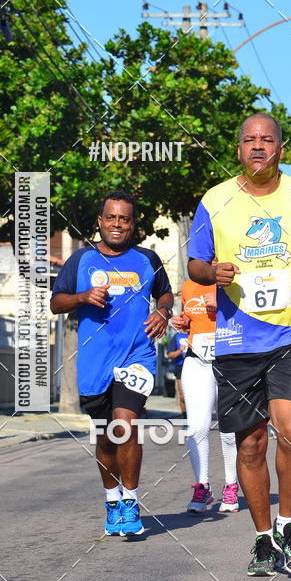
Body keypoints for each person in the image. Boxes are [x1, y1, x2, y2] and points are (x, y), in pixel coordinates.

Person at [188, 112, 291, 576]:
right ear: (238, 149)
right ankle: (263, 538)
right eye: (250, 140)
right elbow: (195, 263)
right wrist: (211, 272)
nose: (258, 146)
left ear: (280, 148)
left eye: (267, 140)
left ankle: (288, 524)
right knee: (250, 444)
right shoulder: (215, 199)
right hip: (236, 338)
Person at [50, 190, 173, 537]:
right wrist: (81, 297)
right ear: (100, 222)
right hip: (95, 363)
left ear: (133, 224)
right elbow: (56, 303)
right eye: (111, 217)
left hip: (137, 355)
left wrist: (163, 312)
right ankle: (112, 501)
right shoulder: (81, 261)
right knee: (106, 438)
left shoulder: (147, 259)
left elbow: (165, 292)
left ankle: (131, 501)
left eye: (124, 219)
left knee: (125, 425)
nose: (117, 224)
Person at [171, 279, 239, 512]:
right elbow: (191, 320)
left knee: (229, 428)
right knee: (196, 428)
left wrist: (225, 304)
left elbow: (254, 318)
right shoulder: (189, 285)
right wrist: (183, 322)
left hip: (229, 359)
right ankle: (202, 486)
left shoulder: (234, 280)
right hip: (196, 359)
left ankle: (231, 485)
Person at [166, 330, 188, 417]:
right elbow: (170, 355)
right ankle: (185, 417)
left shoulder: (195, 333)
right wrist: (180, 350)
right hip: (180, 367)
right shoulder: (177, 336)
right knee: (183, 395)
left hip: (196, 366)